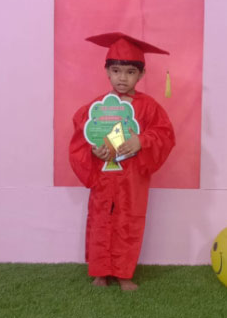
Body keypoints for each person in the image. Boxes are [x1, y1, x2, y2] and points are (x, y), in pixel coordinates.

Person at [69, 32, 175, 291]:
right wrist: (94, 151)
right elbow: (82, 137)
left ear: (141, 74)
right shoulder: (96, 107)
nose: (122, 78)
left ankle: (124, 273)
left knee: (129, 221)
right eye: (116, 71)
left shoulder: (149, 107)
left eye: (130, 72)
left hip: (132, 178)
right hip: (104, 178)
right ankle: (100, 272)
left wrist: (142, 141)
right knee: (100, 220)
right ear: (107, 71)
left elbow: (164, 134)